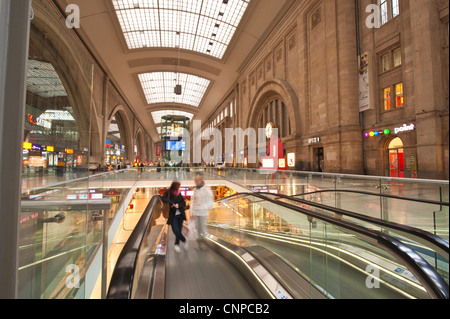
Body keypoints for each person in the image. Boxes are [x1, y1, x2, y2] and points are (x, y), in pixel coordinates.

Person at [162, 181, 188, 253]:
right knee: (175, 231)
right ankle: (184, 240)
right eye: (178, 186)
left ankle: (176, 245)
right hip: (173, 215)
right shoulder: (168, 192)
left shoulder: (179, 194)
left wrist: (178, 205)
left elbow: (183, 203)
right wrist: (172, 203)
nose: (179, 188)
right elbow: (163, 198)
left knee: (178, 231)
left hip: (180, 215)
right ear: (174, 186)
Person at [190, 174, 214, 248]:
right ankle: (199, 244)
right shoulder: (194, 190)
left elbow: (211, 200)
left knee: (203, 229)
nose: (196, 182)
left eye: (197, 181)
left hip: (203, 213)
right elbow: (192, 201)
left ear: (201, 180)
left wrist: (205, 207)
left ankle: (204, 243)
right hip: (196, 212)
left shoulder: (207, 190)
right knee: (197, 228)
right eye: (195, 181)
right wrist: (191, 212)